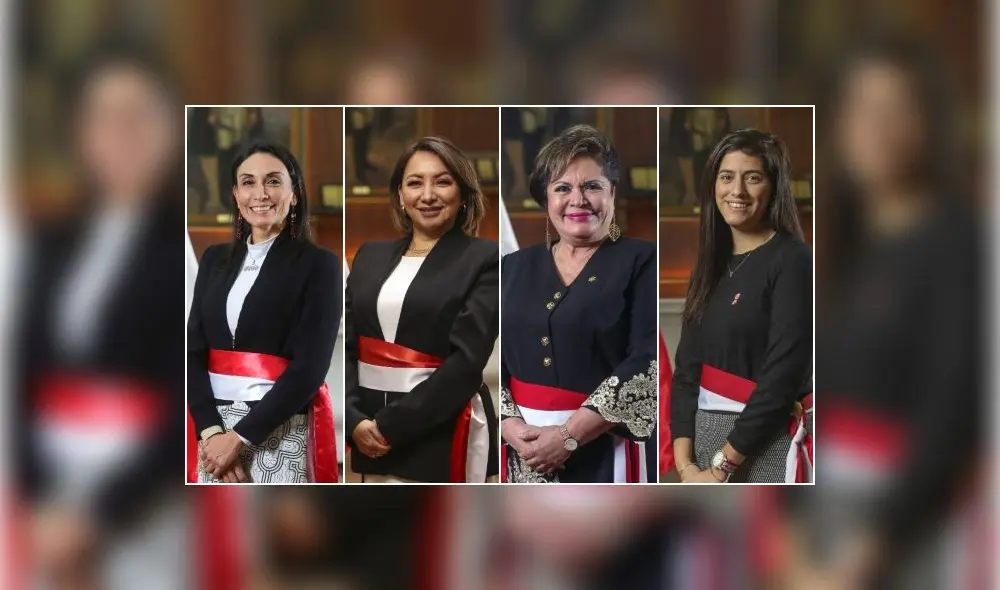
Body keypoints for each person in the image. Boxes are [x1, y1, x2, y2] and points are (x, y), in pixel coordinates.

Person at [14, 43, 187, 588]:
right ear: (82, 133)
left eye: (138, 114)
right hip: (49, 504)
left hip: (147, 503)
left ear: (171, 128)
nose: (122, 132)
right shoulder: (50, 242)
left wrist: (96, 517)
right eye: (104, 116)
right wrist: (42, 503)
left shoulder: (198, 252)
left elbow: (190, 401)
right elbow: (23, 376)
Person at [501, 124, 657, 483]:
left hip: (607, 448)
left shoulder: (643, 260)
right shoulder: (512, 266)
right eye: (562, 188)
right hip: (525, 451)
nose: (578, 199)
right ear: (546, 198)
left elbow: (645, 359)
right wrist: (509, 425)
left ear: (613, 192)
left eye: (592, 186)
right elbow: (500, 357)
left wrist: (568, 436)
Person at [344, 136, 499, 483]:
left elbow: (467, 362)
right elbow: (348, 347)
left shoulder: (484, 258)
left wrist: (388, 426)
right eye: (415, 183)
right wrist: (354, 418)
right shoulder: (369, 256)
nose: (427, 195)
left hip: (441, 428)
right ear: (400, 195)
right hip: (368, 430)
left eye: (442, 182)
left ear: (462, 195)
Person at [187, 140, 341, 484]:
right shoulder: (213, 259)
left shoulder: (319, 265)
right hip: (211, 430)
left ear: (294, 194)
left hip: (279, 427)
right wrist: (212, 433)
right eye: (248, 182)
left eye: (273, 181)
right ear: (236, 195)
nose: (261, 193)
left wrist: (239, 438)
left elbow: (310, 367)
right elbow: (192, 352)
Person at [669, 128, 813, 484]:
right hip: (700, 452)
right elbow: (686, 371)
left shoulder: (793, 260)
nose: (737, 191)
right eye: (726, 177)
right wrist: (687, 466)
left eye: (753, 178)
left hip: (763, 448)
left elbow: (781, 379)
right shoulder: (708, 265)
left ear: (773, 187)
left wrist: (722, 468)